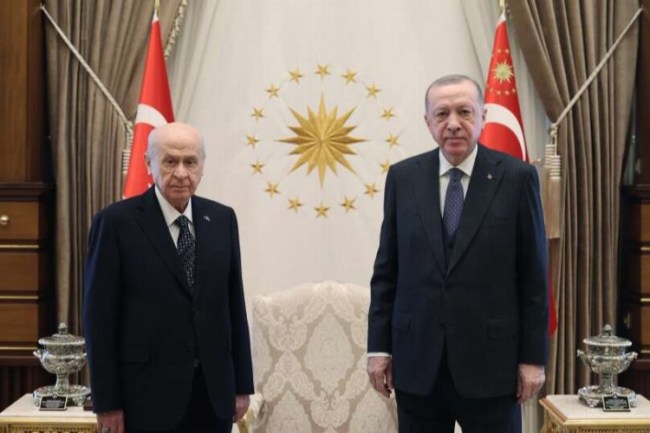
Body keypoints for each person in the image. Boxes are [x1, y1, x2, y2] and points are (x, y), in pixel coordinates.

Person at [367, 75, 548, 433]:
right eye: (442, 114)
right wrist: (378, 349)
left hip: (493, 367)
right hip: (418, 364)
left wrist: (533, 358)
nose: (453, 124)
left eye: (464, 112)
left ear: (482, 117)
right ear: (428, 122)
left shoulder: (517, 178)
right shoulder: (403, 178)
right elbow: (387, 271)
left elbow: (534, 278)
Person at [83, 122, 254, 433]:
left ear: (202, 166)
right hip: (144, 398)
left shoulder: (222, 219)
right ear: (148, 164)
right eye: (170, 161)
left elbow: (233, 305)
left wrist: (242, 385)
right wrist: (106, 402)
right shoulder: (115, 223)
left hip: (212, 395)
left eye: (190, 162)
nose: (181, 173)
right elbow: (99, 320)